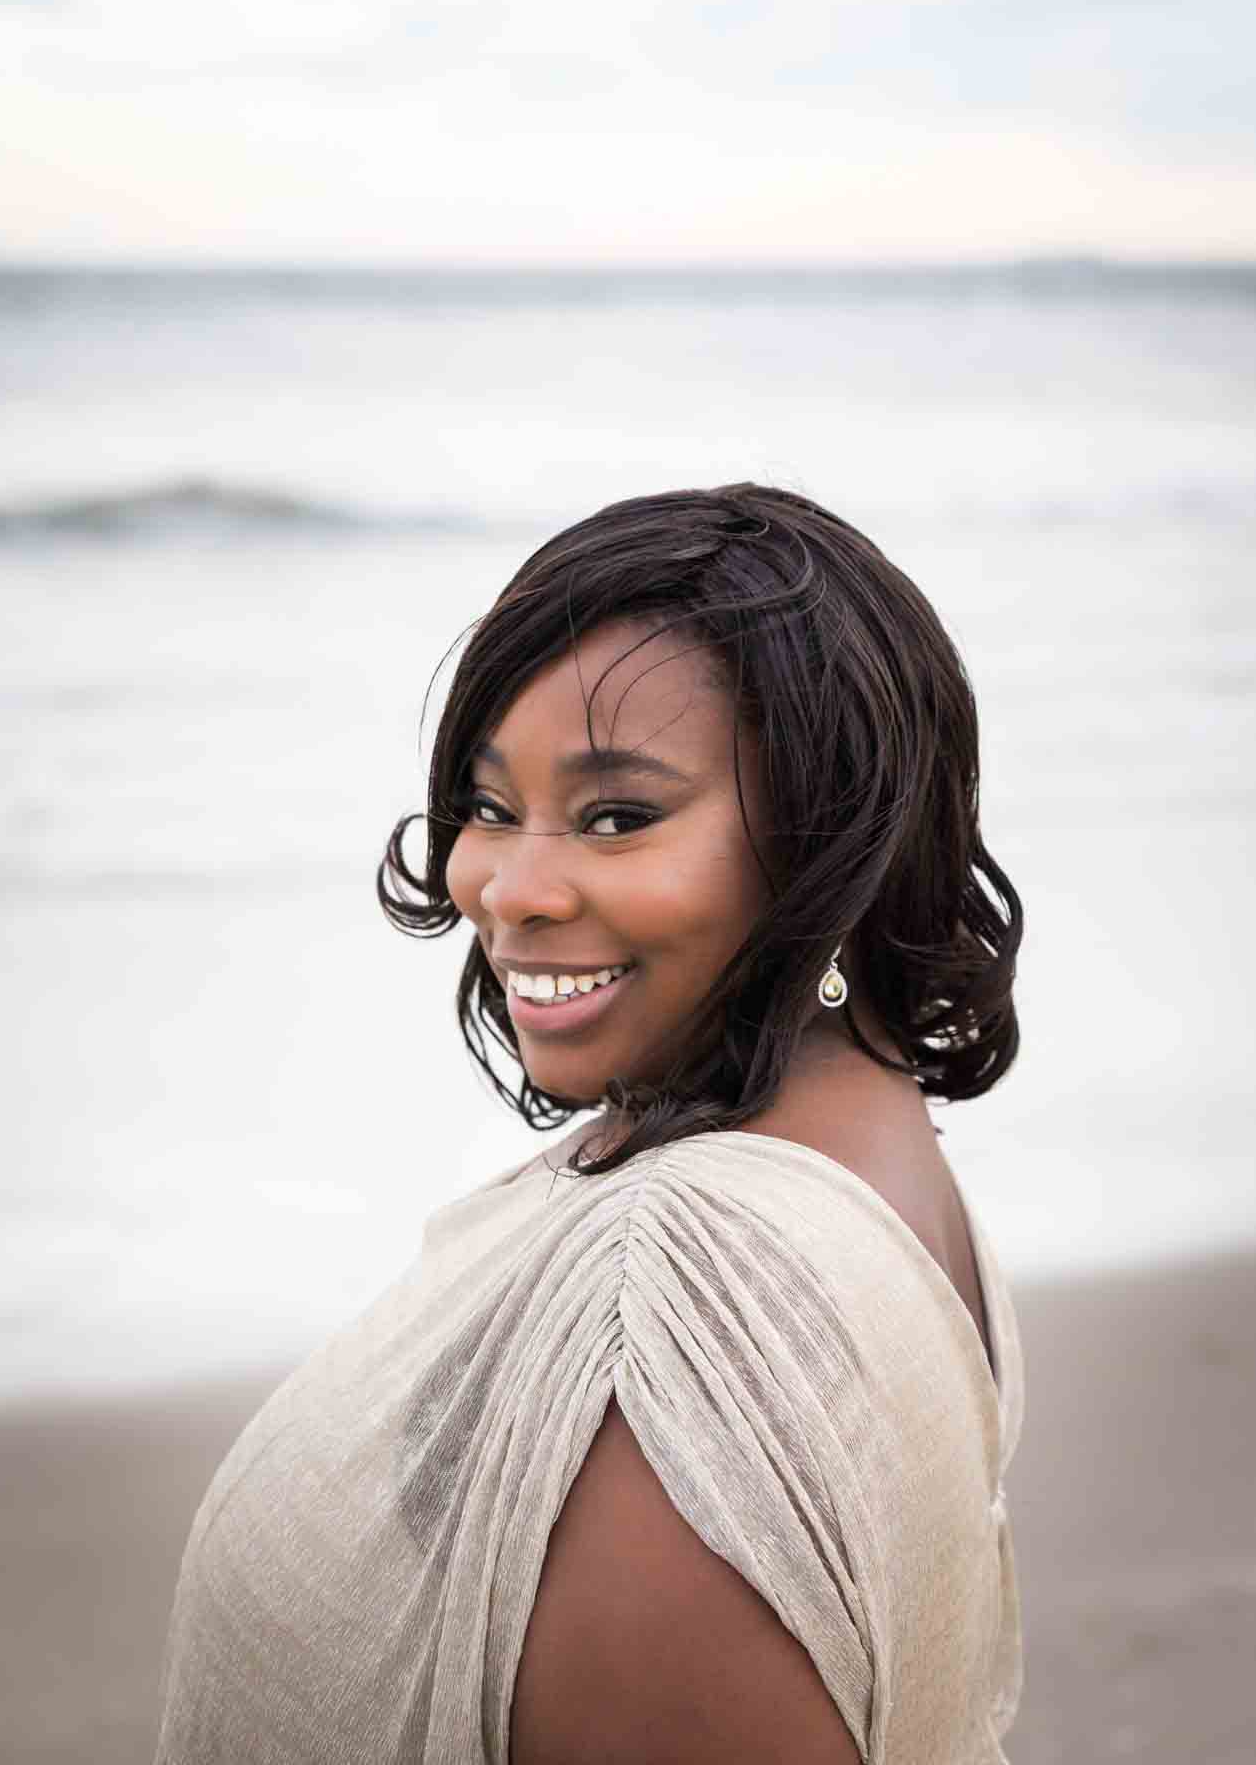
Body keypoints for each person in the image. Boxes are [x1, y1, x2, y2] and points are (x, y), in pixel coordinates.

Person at [154, 482, 1025, 1764]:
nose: (505, 886)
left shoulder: (686, 1290)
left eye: (619, 816)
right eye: (491, 805)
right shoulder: (876, 1148)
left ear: (834, 840)